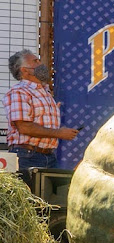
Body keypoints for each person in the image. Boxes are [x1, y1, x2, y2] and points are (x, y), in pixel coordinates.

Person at [3, 49, 79, 184]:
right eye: (35, 61)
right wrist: (59, 133)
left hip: (48, 155)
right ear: (25, 70)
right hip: (27, 156)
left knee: (53, 202)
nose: (41, 63)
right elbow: (24, 127)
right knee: (30, 202)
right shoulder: (19, 92)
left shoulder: (44, 91)